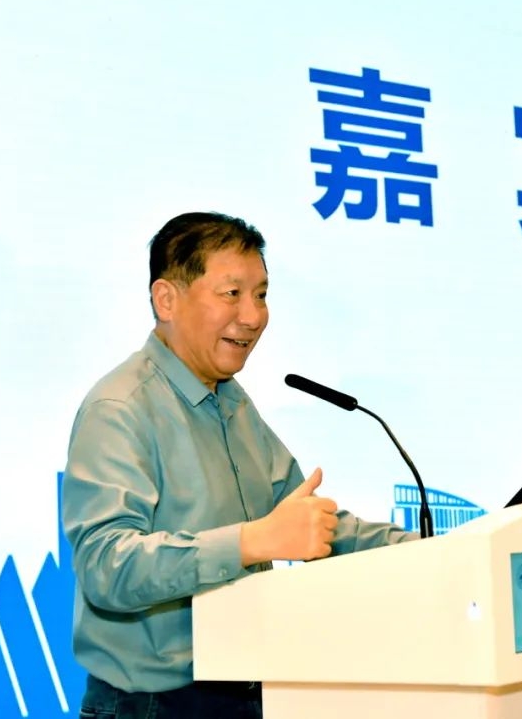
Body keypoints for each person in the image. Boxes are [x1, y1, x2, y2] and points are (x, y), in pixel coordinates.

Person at [61, 211, 418, 718]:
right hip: (151, 706)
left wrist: (445, 549)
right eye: (232, 294)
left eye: (262, 295)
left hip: (246, 692)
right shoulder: (120, 409)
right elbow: (107, 566)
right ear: (166, 299)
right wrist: (251, 541)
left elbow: (308, 523)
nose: (253, 316)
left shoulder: (232, 403)